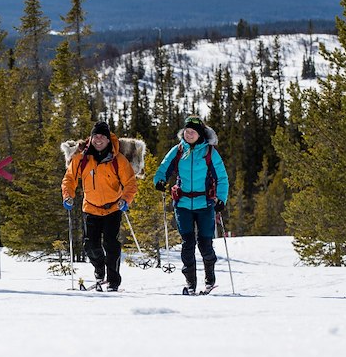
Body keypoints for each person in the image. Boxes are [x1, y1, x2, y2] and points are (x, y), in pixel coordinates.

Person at [152, 115, 229, 295]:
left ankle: (209, 280)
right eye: (187, 131)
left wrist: (221, 199)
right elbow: (163, 168)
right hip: (183, 203)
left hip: (205, 204)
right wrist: (160, 181)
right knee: (188, 243)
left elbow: (222, 177)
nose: (189, 134)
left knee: (205, 243)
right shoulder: (178, 150)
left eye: (193, 131)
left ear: (200, 133)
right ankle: (190, 283)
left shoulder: (209, 152)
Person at [62, 121, 138, 291]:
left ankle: (113, 281)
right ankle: (99, 269)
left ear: (108, 139)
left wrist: (125, 199)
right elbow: (69, 179)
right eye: (95, 136)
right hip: (90, 208)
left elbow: (130, 183)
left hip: (113, 208)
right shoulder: (82, 159)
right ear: (91, 138)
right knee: (90, 245)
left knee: (111, 244)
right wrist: (68, 196)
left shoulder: (118, 159)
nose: (98, 139)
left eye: (102, 136)